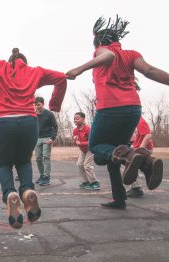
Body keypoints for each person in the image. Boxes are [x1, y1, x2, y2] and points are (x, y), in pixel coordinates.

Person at [66, 15, 168, 209]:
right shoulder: (131, 54)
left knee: (96, 146)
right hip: (133, 109)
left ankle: (131, 156)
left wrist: (79, 69)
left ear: (101, 41)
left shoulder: (102, 50)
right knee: (113, 154)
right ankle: (127, 188)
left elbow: (109, 56)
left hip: (110, 109)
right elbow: (150, 71)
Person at [0, 48, 67, 229]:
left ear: (10, 60)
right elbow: (61, 78)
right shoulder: (35, 72)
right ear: (25, 61)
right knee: (24, 161)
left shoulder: (0, 66)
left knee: (3, 163)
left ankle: (10, 194)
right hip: (29, 122)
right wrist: (55, 104)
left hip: (5, 121)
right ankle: (26, 190)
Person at [126, 116, 161, 198]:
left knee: (127, 164)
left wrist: (140, 149)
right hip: (137, 147)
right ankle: (147, 166)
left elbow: (148, 135)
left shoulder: (139, 120)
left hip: (144, 149)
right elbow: (136, 136)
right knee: (130, 164)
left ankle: (136, 188)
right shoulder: (134, 121)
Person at [73, 112, 100, 190]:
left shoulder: (88, 129)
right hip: (83, 150)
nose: (75, 120)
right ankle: (86, 182)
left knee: (87, 165)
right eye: (74, 119)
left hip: (91, 149)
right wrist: (75, 141)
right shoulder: (75, 130)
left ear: (83, 119)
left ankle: (95, 183)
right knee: (79, 164)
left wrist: (81, 143)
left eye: (77, 118)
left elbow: (92, 141)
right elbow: (75, 143)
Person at [34, 96, 58, 186]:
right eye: (35, 105)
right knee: (38, 158)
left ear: (43, 104)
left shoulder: (49, 114)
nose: (37, 107)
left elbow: (55, 127)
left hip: (47, 138)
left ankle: (46, 177)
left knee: (46, 157)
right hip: (37, 139)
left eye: (39, 105)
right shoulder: (34, 115)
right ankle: (41, 175)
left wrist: (52, 138)